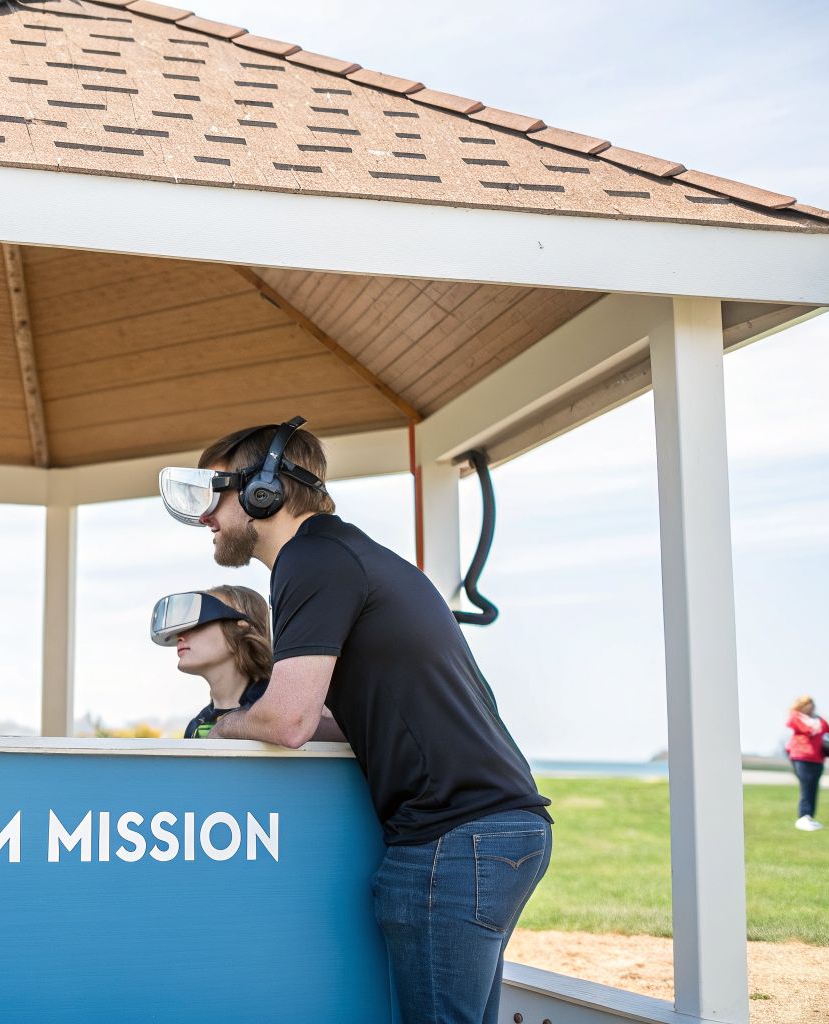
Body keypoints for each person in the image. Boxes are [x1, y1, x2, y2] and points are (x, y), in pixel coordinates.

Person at [158, 417, 551, 1024]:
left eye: (218, 492)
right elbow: (340, 720)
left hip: (454, 837)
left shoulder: (312, 560)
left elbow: (288, 722)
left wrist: (224, 725)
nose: (207, 515)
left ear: (265, 490)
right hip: (488, 830)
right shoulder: (341, 554)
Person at [149, 586, 273, 738]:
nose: (179, 636)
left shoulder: (277, 710)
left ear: (241, 628)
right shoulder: (197, 727)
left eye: (197, 622)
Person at [785, 695, 829, 831]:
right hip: (801, 756)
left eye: (811, 703)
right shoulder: (796, 717)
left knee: (813, 786)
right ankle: (803, 816)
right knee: (807, 785)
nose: (810, 706)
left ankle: (809, 816)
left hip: (818, 758)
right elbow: (806, 729)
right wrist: (814, 725)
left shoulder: (820, 720)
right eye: (807, 703)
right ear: (801, 705)